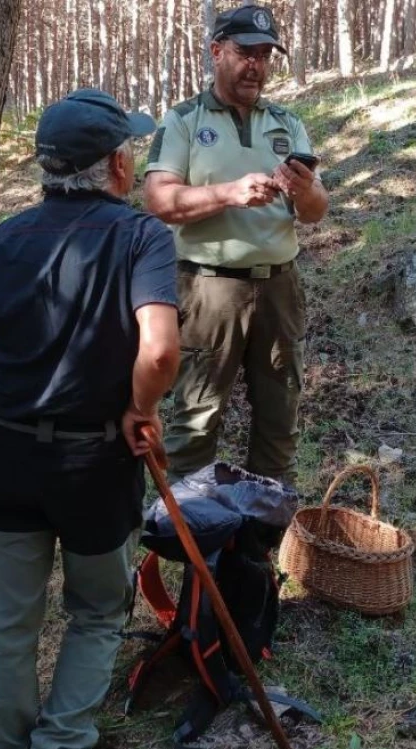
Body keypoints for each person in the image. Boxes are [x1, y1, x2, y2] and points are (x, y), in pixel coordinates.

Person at [0, 88, 180, 749]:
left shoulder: (0, 241)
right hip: (94, 462)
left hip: (6, 460)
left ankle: (1, 743)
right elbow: (160, 349)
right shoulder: (141, 237)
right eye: (127, 148)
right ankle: (62, 739)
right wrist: (141, 408)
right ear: (115, 166)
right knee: (100, 609)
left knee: (11, 623)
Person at [144, 4, 328, 486]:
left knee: (279, 418)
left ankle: (259, 549)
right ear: (217, 51)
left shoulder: (286, 123)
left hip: (279, 289)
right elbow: (159, 200)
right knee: (197, 420)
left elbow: (315, 211)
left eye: (266, 55)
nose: (257, 65)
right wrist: (228, 194)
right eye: (247, 52)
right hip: (208, 291)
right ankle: (196, 548)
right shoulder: (185, 120)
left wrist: (303, 188)